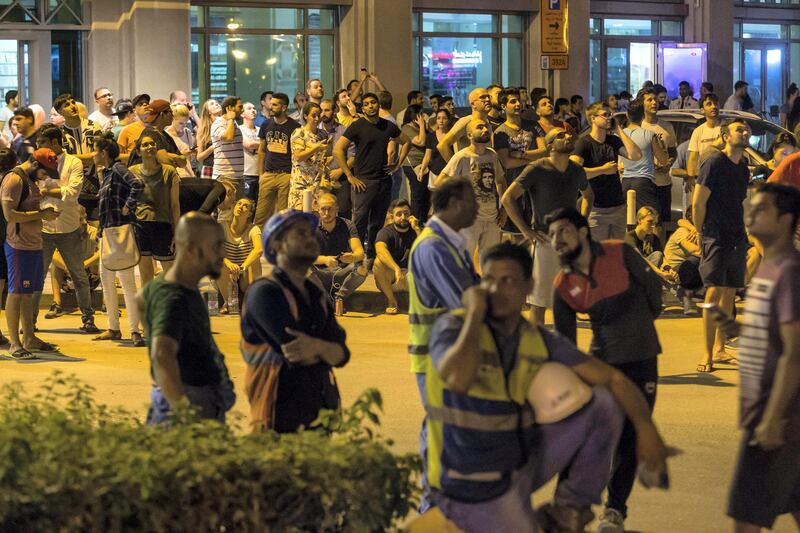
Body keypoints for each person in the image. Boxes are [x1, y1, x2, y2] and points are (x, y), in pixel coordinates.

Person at [427, 241, 669, 533]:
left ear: (529, 287)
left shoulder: (535, 338)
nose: (495, 290)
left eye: (508, 281)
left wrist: (647, 430)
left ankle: (567, 510)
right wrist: (476, 318)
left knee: (603, 403)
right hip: (456, 475)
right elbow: (457, 379)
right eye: (489, 280)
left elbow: (614, 379)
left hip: (508, 466)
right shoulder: (454, 326)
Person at [548, 207, 666, 533]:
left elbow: (655, 293)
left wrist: (638, 327)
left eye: (563, 232)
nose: (557, 240)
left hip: (642, 360)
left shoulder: (620, 252)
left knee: (629, 438)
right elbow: (565, 343)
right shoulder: (563, 283)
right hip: (602, 363)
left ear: (583, 232)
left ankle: (614, 511)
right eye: (553, 235)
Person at [710, 183, 800, 533]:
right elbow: (774, 337)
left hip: (777, 418)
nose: (750, 213)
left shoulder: (789, 272)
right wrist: (736, 329)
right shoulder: (768, 267)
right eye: (751, 205)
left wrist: (773, 418)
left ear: (785, 219)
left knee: (745, 520)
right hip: (779, 419)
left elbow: (794, 352)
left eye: (761, 209)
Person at [407, 177, 480, 512]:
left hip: (449, 356)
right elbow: (464, 303)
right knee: (444, 438)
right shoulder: (433, 247)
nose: (478, 207)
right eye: (472, 201)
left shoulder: (449, 242)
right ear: (453, 205)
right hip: (440, 358)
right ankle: (432, 512)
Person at [240, 209, 350, 433]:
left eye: (310, 233)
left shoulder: (315, 294)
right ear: (277, 246)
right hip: (277, 418)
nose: (311, 239)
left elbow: (342, 354)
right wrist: (327, 350)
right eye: (300, 234)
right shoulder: (264, 293)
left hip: (319, 413)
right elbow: (294, 350)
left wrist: (318, 347)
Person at [140, 212, 236, 424]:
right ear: (192, 250)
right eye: (216, 246)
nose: (223, 253)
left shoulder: (182, 289)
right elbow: (162, 354)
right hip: (188, 408)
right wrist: (185, 413)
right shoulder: (173, 296)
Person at [502, 128, 593, 325]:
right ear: (550, 145)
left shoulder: (576, 170)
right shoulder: (537, 168)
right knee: (539, 301)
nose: (568, 136)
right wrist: (526, 230)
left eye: (568, 134)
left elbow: (588, 196)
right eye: (560, 135)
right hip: (544, 239)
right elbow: (508, 198)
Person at [693, 119, 752, 372]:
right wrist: (700, 231)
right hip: (715, 234)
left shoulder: (743, 168)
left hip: (736, 234)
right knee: (713, 293)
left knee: (730, 293)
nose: (745, 132)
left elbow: (739, 202)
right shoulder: (714, 162)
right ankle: (706, 353)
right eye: (739, 129)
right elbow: (698, 202)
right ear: (726, 136)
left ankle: (720, 348)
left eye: (746, 129)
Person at [31, 124, 99, 333]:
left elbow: (73, 192)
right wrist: (50, 191)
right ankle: (30, 321)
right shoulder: (35, 162)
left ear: (54, 143)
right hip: (43, 228)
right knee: (37, 278)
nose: (38, 147)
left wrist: (48, 192)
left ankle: (88, 318)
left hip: (69, 227)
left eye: (42, 143)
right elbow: (34, 191)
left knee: (79, 275)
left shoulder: (73, 162)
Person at [334, 92, 411, 263]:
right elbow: (338, 149)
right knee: (359, 222)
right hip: (363, 182)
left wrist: (398, 164)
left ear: (378, 105)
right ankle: (356, 257)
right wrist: (349, 175)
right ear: (362, 107)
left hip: (383, 180)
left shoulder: (387, 126)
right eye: (367, 103)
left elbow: (406, 142)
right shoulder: (357, 125)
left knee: (377, 222)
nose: (370, 106)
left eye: (373, 102)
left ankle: (372, 257)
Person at [1, 148, 60, 359]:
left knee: (27, 293)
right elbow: (10, 215)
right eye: (45, 173)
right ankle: (15, 343)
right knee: (16, 293)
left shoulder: (29, 180)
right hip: (18, 246)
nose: (45, 178)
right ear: (35, 164)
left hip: (33, 244)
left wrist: (44, 215)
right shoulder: (14, 180)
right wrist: (42, 214)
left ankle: (29, 337)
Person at [92, 133, 144, 346]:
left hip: (119, 232)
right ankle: (114, 327)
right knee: (109, 282)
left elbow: (137, 184)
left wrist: (128, 206)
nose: (93, 154)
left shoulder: (117, 169)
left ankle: (134, 330)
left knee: (126, 282)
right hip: (108, 233)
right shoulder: (106, 173)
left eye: (96, 150)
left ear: (104, 152)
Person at [436, 118, 506, 263]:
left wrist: (504, 208)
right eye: (479, 127)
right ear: (469, 135)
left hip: (492, 217)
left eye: (486, 127)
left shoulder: (492, 154)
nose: (485, 130)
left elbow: (500, 180)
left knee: (490, 262)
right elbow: (439, 183)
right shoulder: (462, 157)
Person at [570, 101, 643, 240]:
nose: (609, 118)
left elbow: (636, 155)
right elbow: (573, 172)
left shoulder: (612, 141)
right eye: (605, 115)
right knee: (597, 254)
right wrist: (602, 170)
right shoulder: (583, 143)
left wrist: (618, 130)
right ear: (593, 119)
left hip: (618, 207)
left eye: (611, 114)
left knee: (615, 253)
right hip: (596, 209)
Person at [128, 129, 181, 287]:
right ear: (138, 151)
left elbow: (175, 205)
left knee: (170, 273)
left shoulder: (169, 172)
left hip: (163, 225)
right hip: (140, 225)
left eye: (152, 144)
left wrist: (177, 232)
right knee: (145, 274)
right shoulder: (132, 172)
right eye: (145, 145)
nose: (149, 147)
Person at [311, 193, 366, 315]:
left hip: (341, 273)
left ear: (337, 209)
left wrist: (351, 257)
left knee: (362, 265)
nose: (326, 213)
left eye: (330, 209)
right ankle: (326, 300)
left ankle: (339, 297)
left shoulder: (348, 225)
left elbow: (360, 253)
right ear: (317, 209)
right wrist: (324, 259)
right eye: (323, 209)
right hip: (318, 275)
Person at [619, 99, 669, 224]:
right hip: (643, 181)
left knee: (629, 221)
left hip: (625, 182)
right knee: (655, 218)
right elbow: (663, 160)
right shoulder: (648, 134)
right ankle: (655, 243)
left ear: (627, 115)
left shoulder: (621, 135)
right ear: (643, 116)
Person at [46, 206, 100, 319]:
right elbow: (54, 255)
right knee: (55, 266)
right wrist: (68, 267)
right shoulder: (64, 233)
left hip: (89, 275)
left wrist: (85, 265)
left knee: (104, 265)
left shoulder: (94, 232)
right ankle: (56, 303)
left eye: (85, 218)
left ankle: (105, 304)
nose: (85, 222)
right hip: (69, 275)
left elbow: (103, 252)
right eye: (80, 219)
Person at [255, 92, 299, 226]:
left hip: (286, 174)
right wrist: (261, 175)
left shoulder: (295, 127)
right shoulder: (266, 124)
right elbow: (261, 150)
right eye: (270, 103)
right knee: (261, 215)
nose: (271, 106)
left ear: (284, 107)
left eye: (275, 104)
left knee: (283, 215)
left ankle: (280, 245)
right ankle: (258, 244)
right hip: (268, 174)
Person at [641, 90, 678, 240]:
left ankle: (662, 251)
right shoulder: (639, 126)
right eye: (649, 100)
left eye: (655, 100)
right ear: (642, 103)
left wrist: (668, 163)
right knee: (647, 220)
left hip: (663, 182)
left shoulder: (666, 126)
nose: (654, 103)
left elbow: (673, 152)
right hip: (645, 182)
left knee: (663, 221)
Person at [374, 199, 420, 315]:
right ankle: (392, 301)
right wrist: (396, 268)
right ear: (392, 216)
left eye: (406, 213)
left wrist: (417, 229)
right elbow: (380, 250)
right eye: (399, 214)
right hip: (392, 279)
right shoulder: (385, 232)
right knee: (378, 263)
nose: (403, 217)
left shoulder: (417, 230)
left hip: (411, 277)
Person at [217, 198, 262, 314]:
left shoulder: (253, 229)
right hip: (227, 274)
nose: (241, 207)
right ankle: (228, 302)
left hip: (244, 274)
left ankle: (251, 301)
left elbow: (259, 249)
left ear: (250, 213)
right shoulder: (222, 226)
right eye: (239, 204)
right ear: (234, 207)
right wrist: (229, 264)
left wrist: (243, 267)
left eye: (246, 206)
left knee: (256, 262)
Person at [289, 102, 329, 210]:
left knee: (319, 217)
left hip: (319, 183)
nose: (317, 118)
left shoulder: (323, 133)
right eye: (313, 115)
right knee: (300, 219)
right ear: (306, 116)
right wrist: (316, 147)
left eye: (318, 115)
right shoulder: (299, 133)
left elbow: (326, 156)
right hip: (302, 183)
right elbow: (298, 157)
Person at [211, 96, 245, 221]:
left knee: (238, 215)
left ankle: (233, 241)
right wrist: (230, 119)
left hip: (238, 177)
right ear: (229, 108)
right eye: (239, 107)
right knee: (226, 215)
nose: (242, 110)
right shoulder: (218, 123)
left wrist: (232, 120)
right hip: (225, 176)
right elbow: (228, 137)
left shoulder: (233, 122)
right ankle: (223, 241)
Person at [319, 98, 355, 216]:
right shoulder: (315, 132)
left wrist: (340, 171)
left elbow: (353, 157)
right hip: (320, 179)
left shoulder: (345, 131)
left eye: (327, 110)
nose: (323, 114)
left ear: (335, 111)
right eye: (321, 110)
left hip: (341, 178)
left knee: (343, 210)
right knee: (321, 212)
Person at [436, 87, 492, 161]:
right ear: (473, 104)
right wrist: (456, 169)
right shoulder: (465, 121)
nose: (487, 100)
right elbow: (442, 145)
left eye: (488, 97)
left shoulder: (487, 123)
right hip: (467, 170)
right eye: (482, 97)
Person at [400, 104, 429, 223]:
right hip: (413, 164)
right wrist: (422, 125)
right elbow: (421, 142)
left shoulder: (421, 128)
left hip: (424, 164)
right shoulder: (407, 128)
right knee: (417, 194)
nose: (423, 117)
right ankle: (415, 221)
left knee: (426, 195)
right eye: (421, 115)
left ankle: (423, 220)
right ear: (414, 117)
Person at [164, 104, 197, 178]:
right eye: (181, 123)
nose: (184, 126)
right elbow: (165, 159)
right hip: (174, 176)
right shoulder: (166, 135)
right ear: (173, 119)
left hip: (189, 174)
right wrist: (181, 154)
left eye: (186, 123)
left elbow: (190, 159)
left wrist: (193, 152)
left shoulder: (187, 132)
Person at [239, 102, 261, 205]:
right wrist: (261, 144)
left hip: (260, 173)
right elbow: (248, 145)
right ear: (242, 114)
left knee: (258, 207)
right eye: (249, 108)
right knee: (245, 206)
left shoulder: (260, 130)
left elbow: (268, 145)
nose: (253, 110)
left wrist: (256, 144)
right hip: (246, 174)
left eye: (254, 108)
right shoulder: (239, 129)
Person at [195, 98, 222, 178]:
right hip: (210, 168)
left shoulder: (227, 124)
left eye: (217, 102)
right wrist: (212, 148)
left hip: (225, 168)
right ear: (208, 112)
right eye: (212, 104)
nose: (216, 104)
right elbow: (199, 157)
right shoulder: (203, 130)